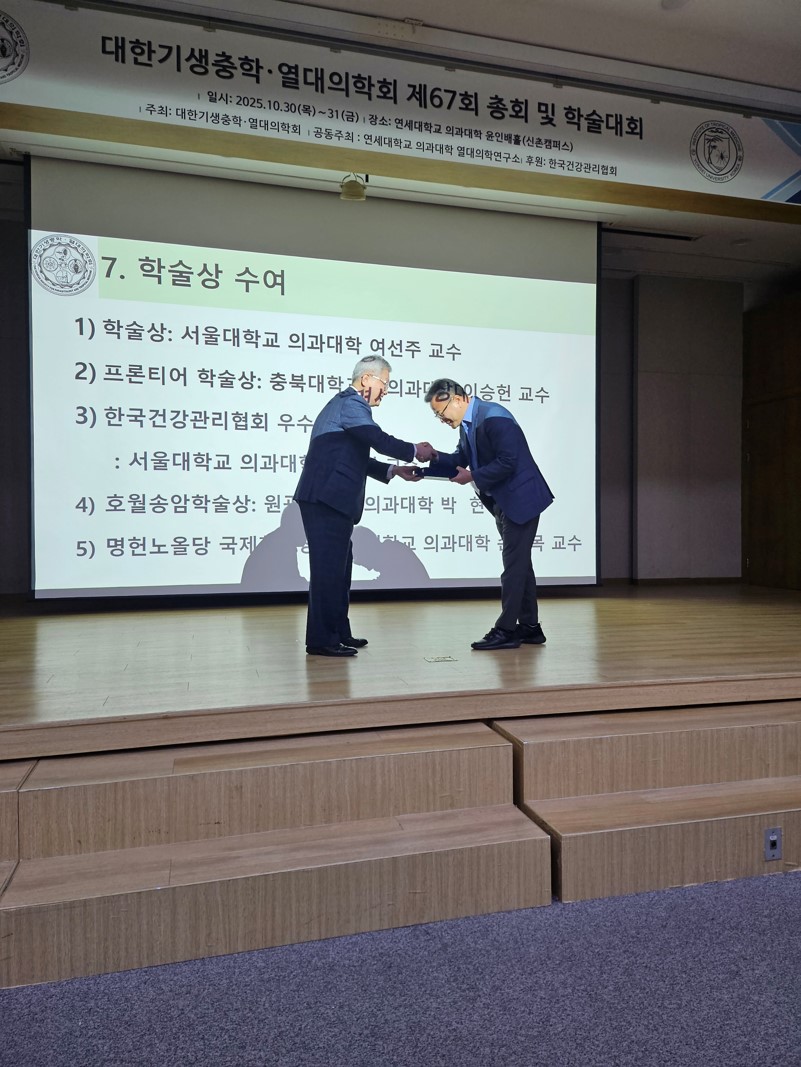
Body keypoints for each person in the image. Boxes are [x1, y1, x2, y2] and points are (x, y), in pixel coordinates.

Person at [295, 356, 433, 657]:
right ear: (367, 379)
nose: (386, 390)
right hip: (325, 498)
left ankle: (338, 632)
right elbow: (376, 439)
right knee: (328, 571)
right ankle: (321, 640)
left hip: (332, 499)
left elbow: (357, 457)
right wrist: (414, 450)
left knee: (339, 570)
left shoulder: (345, 408)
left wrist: (393, 470)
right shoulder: (352, 403)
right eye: (385, 383)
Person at [425, 378, 554, 650]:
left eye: (441, 412)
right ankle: (530, 627)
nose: (441, 419)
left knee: (513, 568)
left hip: (521, 500)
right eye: (437, 415)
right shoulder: (469, 423)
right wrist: (432, 461)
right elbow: (460, 459)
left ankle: (506, 630)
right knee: (520, 566)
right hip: (504, 502)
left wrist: (473, 476)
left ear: (457, 399)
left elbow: (509, 462)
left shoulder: (494, 417)